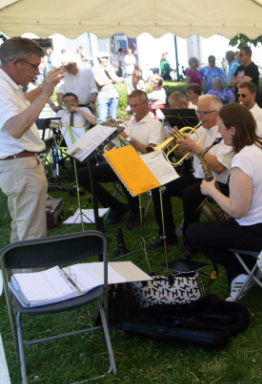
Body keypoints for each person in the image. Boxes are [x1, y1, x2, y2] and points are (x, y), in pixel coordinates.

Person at [186, 103, 262, 301]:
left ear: (233, 130)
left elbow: (236, 211)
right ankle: (247, 269)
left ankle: (245, 270)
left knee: (193, 233)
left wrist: (211, 191)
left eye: (221, 127)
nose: (218, 131)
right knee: (218, 229)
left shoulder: (242, 159)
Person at [149, 94, 234, 251]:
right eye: (198, 112)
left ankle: (190, 242)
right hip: (198, 177)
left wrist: (193, 146)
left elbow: (219, 167)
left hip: (218, 182)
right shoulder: (201, 128)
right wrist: (174, 142)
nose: (199, 116)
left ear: (217, 113)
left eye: (203, 113)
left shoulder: (227, 133)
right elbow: (181, 154)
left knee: (190, 193)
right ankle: (167, 235)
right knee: (159, 186)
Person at [0, 37, 65, 242]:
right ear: (15, 62)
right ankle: (29, 264)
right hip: (21, 167)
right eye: (35, 66)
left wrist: (45, 88)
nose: (37, 72)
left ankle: (18, 264)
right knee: (32, 237)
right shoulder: (2, 87)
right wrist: (45, 94)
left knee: (22, 233)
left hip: (18, 166)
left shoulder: (8, 85)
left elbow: (22, 103)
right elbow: (16, 128)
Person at [76, 90, 163, 229]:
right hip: (124, 163)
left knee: (124, 170)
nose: (132, 109)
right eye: (131, 105)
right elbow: (113, 147)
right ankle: (116, 206)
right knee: (82, 174)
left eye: (135, 105)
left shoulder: (155, 125)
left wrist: (126, 136)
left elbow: (150, 151)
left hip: (144, 166)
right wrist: (110, 133)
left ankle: (135, 211)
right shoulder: (130, 123)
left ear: (146, 104)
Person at [92, 52, 120, 124]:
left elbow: (116, 80)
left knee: (113, 119)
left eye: (108, 57)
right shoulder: (94, 69)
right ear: (100, 59)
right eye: (105, 57)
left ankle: (113, 131)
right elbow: (100, 82)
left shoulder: (109, 67)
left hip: (113, 95)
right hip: (102, 97)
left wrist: (108, 71)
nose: (107, 59)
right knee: (102, 120)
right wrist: (111, 80)